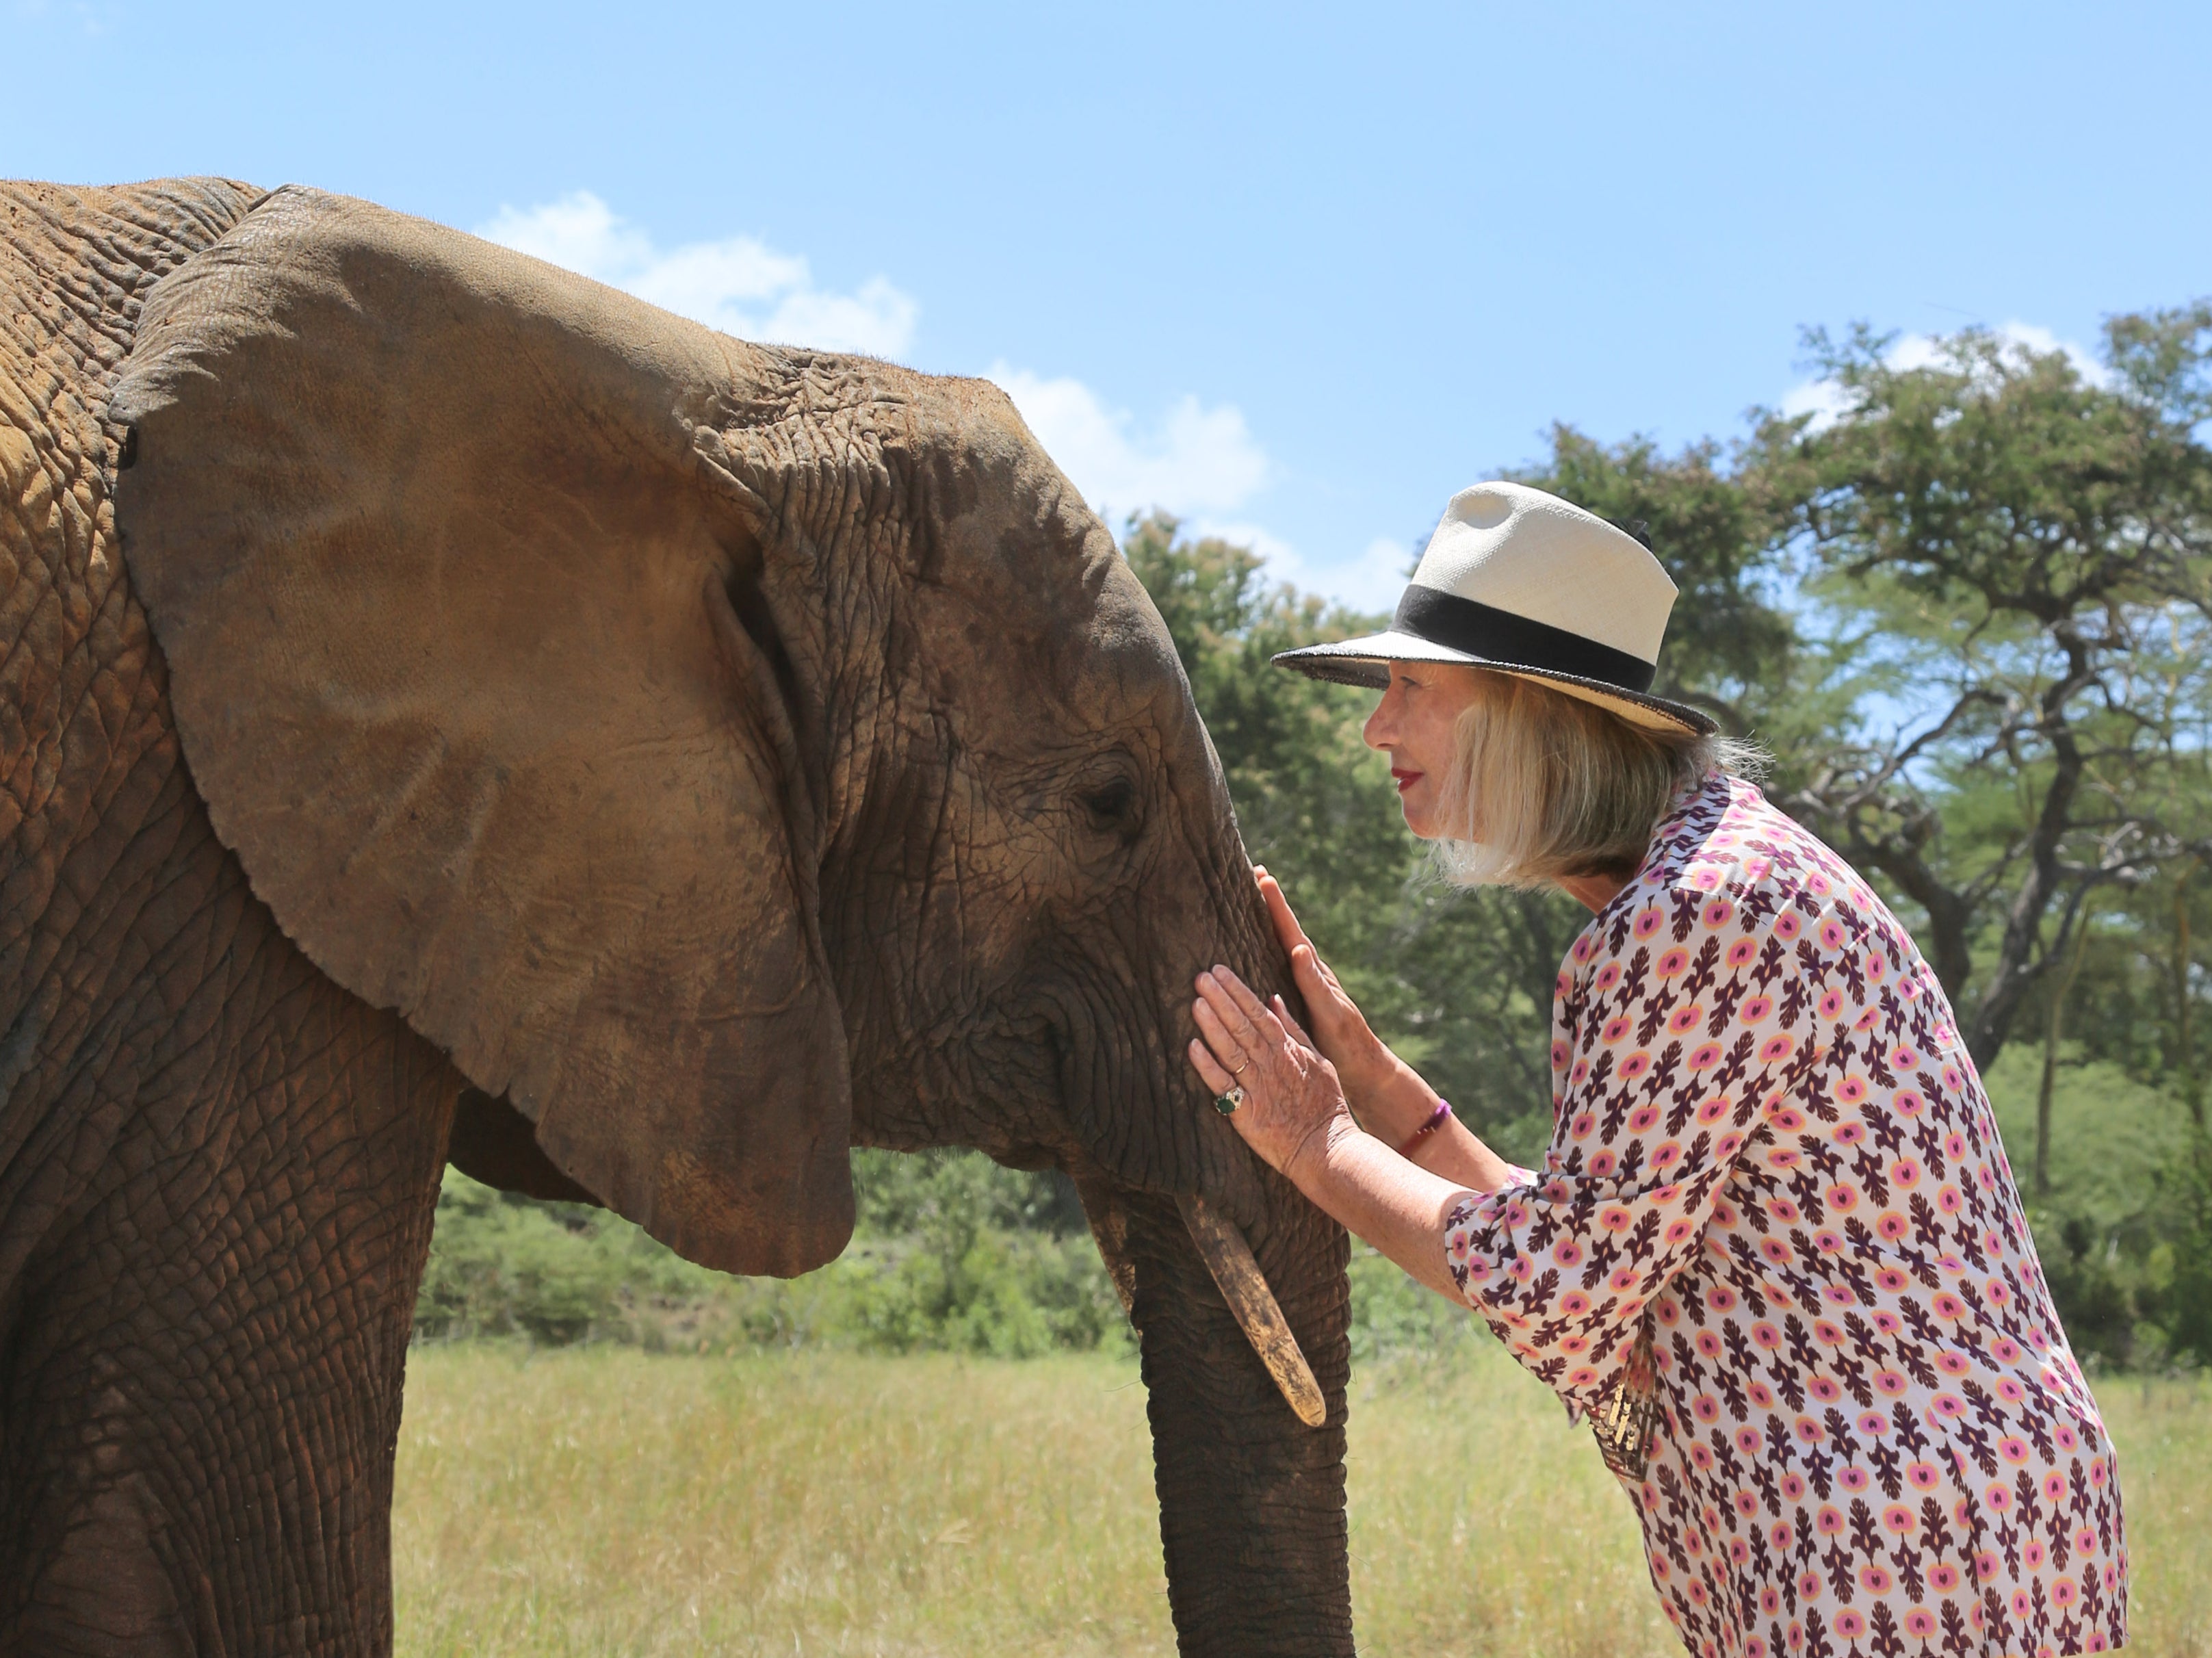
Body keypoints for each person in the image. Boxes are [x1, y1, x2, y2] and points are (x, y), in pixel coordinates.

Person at [1186, 480, 2127, 1658]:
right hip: (1951, 1524)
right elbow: (1621, 1248)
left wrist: (1312, 1138)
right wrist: (1390, 1107)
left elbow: (1566, 1291)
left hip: (1896, 1547)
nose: (1379, 727)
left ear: (1529, 715)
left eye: (1412, 687)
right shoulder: (1716, 880)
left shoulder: (1691, 916)